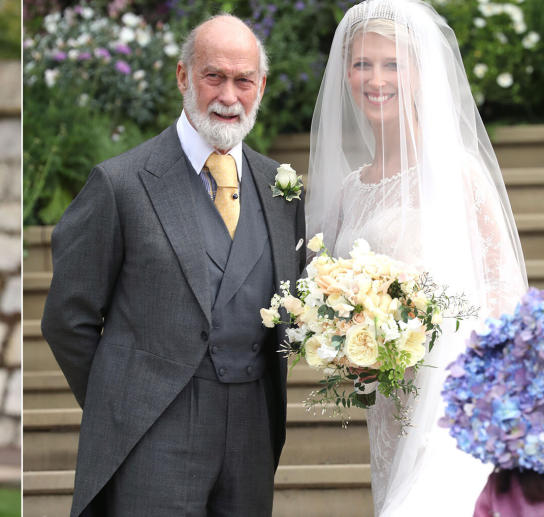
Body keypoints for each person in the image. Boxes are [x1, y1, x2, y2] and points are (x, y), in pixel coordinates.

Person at [42, 14, 305, 516]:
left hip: (252, 427)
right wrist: (122, 402)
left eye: (243, 80)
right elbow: (66, 319)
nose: (229, 96)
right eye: (214, 76)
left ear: (261, 85)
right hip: (152, 428)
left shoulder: (281, 187)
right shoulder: (119, 184)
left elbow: (297, 301)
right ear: (183, 76)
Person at [306, 0, 527, 514]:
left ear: (420, 73)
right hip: (388, 408)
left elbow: (504, 298)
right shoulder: (349, 191)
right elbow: (333, 300)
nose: (375, 79)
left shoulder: (457, 174)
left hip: (449, 405)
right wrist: (346, 346)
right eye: (362, 64)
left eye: (392, 65)